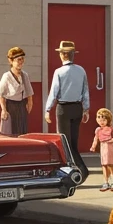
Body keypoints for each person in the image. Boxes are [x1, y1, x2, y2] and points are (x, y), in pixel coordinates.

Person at [44, 40, 90, 178]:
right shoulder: (81, 70)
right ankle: (77, 169)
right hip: (77, 107)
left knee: (64, 142)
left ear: (63, 55)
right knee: (73, 142)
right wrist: (86, 108)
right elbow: (85, 90)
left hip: (63, 108)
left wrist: (48, 109)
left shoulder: (59, 72)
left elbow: (54, 91)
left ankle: (79, 170)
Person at [0, 47, 33, 135]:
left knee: (22, 131)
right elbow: (0, 94)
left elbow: (29, 91)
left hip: (22, 106)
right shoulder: (7, 76)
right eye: (18, 60)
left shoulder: (25, 75)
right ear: (11, 61)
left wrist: (30, 102)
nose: (21, 62)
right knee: (11, 132)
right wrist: (4, 110)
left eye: (22, 59)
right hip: (11, 107)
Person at [90, 108, 113, 192]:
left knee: (111, 165)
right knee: (104, 166)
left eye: (104, 120)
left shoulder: (112, 129)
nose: (101, 121)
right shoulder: (98, 130)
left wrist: (111, 140)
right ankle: (106, 182)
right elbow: (96, 138)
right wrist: (93, 146)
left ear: (108, 120)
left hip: (109, 148)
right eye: (99, 118)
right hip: (103, 148)